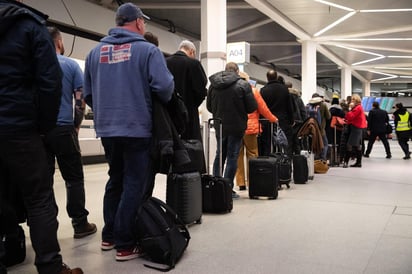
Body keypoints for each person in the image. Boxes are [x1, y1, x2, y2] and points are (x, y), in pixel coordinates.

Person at [83, 3, 174, 261]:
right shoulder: (147, 51)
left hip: (108, 129)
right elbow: (165, 89)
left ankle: (109, 236)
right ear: (137, 22)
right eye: (143, 21)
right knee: (135, 183)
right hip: (137, 128)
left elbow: (88, 94)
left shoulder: (94, 53)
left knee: (116, 179)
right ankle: (125, 243)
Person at [0, 1, 83, 273]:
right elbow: (50, 81)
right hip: (20, 127)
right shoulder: (29, 25)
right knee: (39, 198)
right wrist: (43, 126)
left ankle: (10, 249)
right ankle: (50, 266)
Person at [46, 26, 97, 239]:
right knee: (73, 178)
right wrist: (76, 124)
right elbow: (80, 99)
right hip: (64, 129)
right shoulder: (70, 65)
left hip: (38, 132)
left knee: (43, 180)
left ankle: (47, 226)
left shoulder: (32, 65)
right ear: (59, 43)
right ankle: (79, 223)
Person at [207, 63, 257, 198]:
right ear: (237, 71)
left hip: (220, 125)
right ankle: (227, 188)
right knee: (232, 156)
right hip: (236, 126)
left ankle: (216, 185)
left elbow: (209, 107)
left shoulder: (213, 85)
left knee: (219, 154)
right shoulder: (243, 85)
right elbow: (252, 107)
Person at [235, 72, 278, 191]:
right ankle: (252, 180)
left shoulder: (233, 90)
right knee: (252, 154)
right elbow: (263, 108)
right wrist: (273, 119)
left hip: (237, 127)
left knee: (238, 155)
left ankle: (240, 182)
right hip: (251, 127)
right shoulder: (253, 91)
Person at [166, 40, 208, 141]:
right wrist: (192, 105)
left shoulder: (165, 62)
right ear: (191, 52)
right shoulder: (194, 64)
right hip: (189, 115)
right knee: (191, 148)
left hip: (168, 116)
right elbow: (201, 91)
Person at [260, 69, 294, 156]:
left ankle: (269, 165)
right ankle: (285, 164)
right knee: (284, 143)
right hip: (283, 121)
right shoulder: (285, 90)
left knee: (268, 143)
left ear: (267, 78)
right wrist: (291, 120)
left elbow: (261, 108)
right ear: (276, 76)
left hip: (268, 122)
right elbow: (289, 107)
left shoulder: (263, 90)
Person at [343, 94, 367, 168]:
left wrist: (349, 109)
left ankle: (346, 162)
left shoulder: (357, 108)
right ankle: (358, 162)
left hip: (356, 128)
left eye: (353, 99)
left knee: (350, 145)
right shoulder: (358, 107)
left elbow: (350, 116)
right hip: (356, 128)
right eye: (352, 99)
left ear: (357, 100)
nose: (351, 101)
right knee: (357, 146)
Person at [306, 93, 331, 160]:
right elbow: (328, 117)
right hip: (321, 129)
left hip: (311, 129)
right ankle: (322, 159)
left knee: (313, 144)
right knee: (324, 144)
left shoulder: (308, 106)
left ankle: (313, 159)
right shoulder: (323, 105)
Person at [286, 82, 306, 154]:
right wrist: (304, 123)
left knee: (288, 143)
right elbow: (303, 112)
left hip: (288, 123)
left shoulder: (284, 97)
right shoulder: (298, 98)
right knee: (297, 143)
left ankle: (288, 162)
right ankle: (298, 162)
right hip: (298, 123)